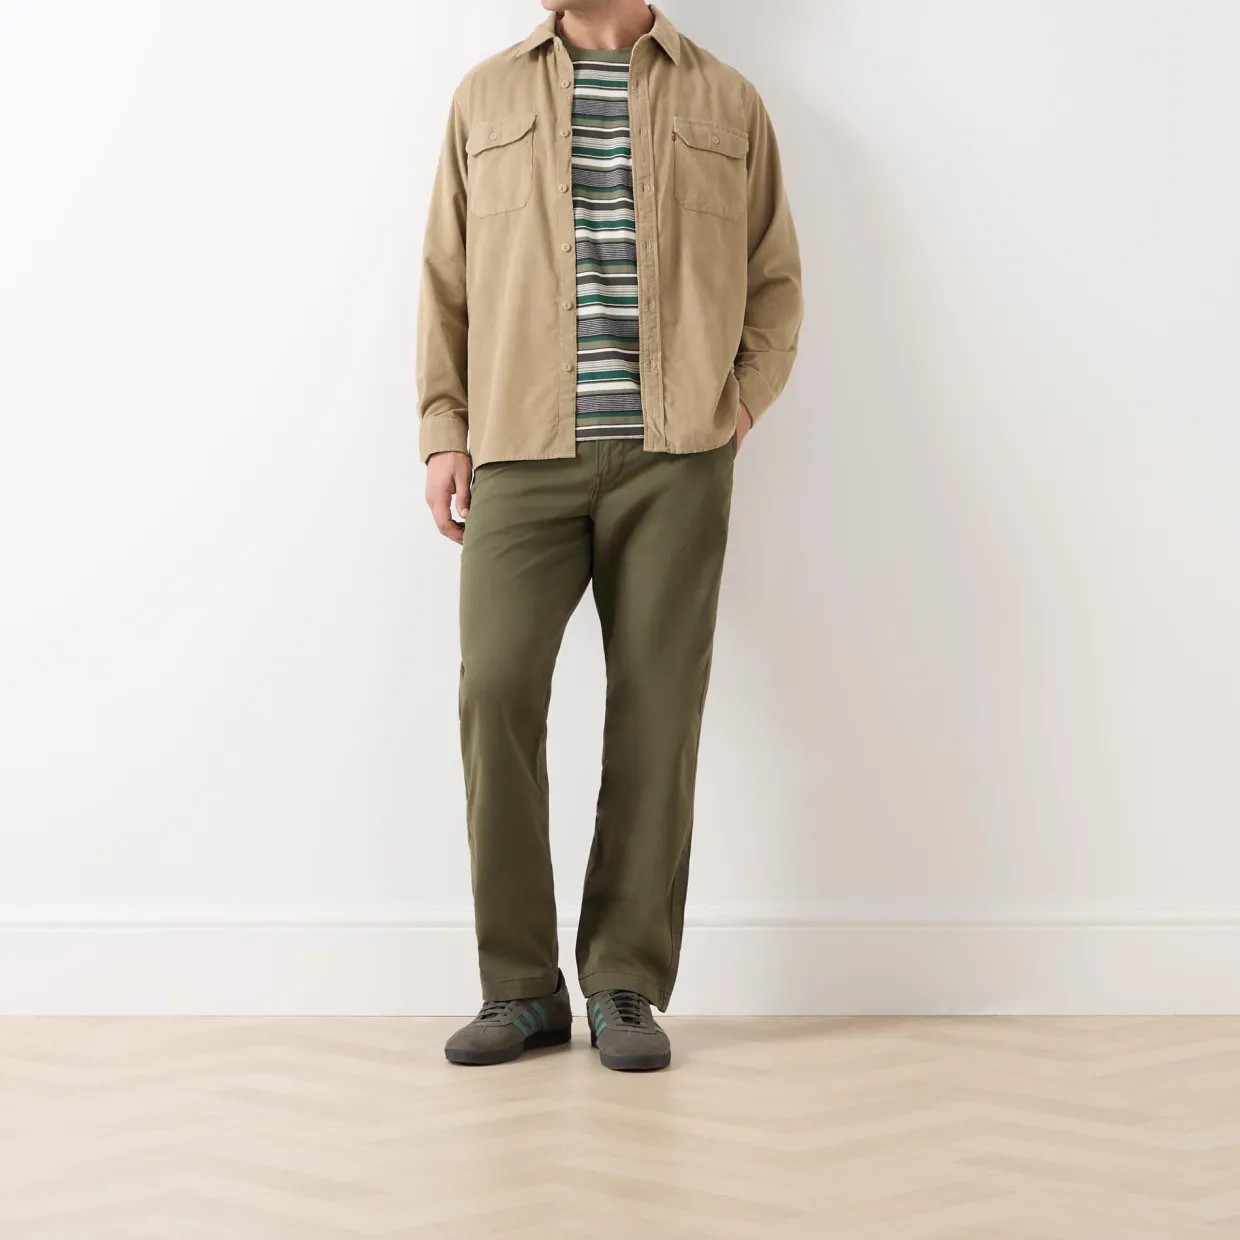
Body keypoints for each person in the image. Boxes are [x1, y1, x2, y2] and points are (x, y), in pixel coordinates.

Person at [418, 0, 802, 1071]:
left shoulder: (726, 100)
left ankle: (623, 980)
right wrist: (444, 428)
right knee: (496, 690)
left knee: (656, 710)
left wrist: (736, 407)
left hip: (674, 458)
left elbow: (775, 280)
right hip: (519, 450)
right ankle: (520, 988)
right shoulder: (484, 97)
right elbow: (444, 281)